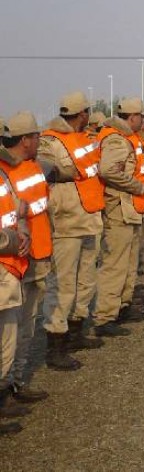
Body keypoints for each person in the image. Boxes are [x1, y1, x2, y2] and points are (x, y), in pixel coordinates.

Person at [39, 93, 105, 371]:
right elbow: (43, 168)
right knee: (63, 284)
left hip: (89, 216)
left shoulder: (85, 138)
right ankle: (56, 344)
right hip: (66, 221)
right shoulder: (49, 140)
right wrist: (67, 172)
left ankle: (76, 330)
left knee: (86, 279)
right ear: (82, 113)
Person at [0, 112, 52, 398]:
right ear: (24, 140)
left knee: (27, 325)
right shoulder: (5, 172)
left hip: (36, 255)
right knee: (11, 328)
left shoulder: (32, 167)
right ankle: (7, 386)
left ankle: (16, 381)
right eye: (35, 136)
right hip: (15, 260)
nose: (39, 141)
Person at [93, 98, 144, 337]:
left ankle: (120, 307)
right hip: (119, 207)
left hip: (127, 208)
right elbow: (108, 171)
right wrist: (136, 187)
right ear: (132, 117)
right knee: (115, 264)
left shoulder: (124, 136)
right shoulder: (117, 138)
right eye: (141, 116)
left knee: (127, 262)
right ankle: (104, 317)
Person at [0, 172, 31, 434]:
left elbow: (16, 211)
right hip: (5, 263)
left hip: (8, 270)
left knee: (6, 343)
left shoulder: (2, 176)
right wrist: (12, 242)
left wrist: (23, 233)